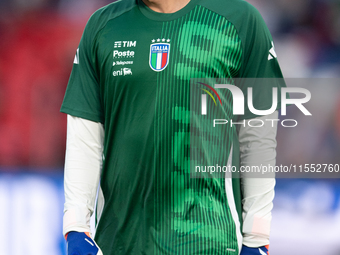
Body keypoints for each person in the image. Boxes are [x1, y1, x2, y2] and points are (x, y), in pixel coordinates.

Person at [61, 0, 285, 254]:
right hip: (121, 242)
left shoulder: (240, 20)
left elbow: (258, 136)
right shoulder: (103, 26)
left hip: (211, 241)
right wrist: (76, 226)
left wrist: (257, 237)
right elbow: (85, 137)